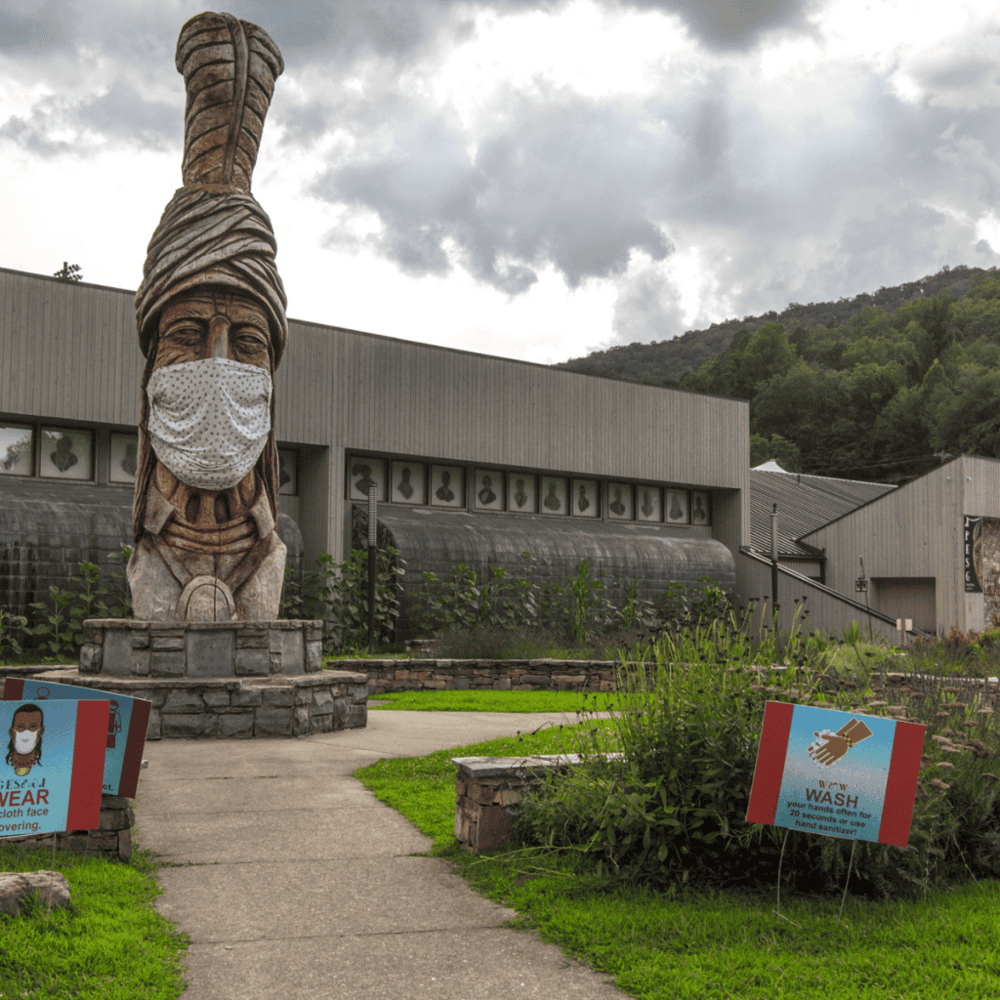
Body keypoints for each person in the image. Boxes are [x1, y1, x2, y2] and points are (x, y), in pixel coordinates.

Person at [127, 12, 287, 622]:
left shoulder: (265, 536)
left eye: (247, 339)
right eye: (189, 335)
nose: (218, 361)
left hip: (253, 540)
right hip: (165, 539)